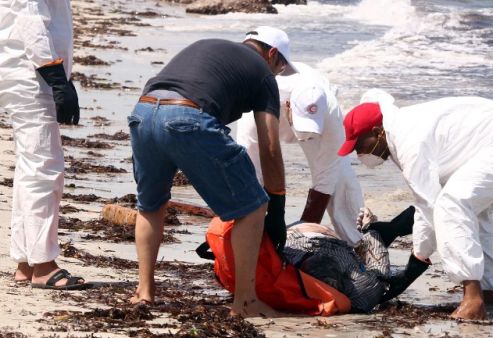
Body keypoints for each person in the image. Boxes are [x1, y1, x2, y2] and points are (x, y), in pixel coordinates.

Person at [337, 90, 493, 320]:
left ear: (378, 132)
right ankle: (488, 293)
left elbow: (430, 206)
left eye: (360, 145)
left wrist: (415, 265)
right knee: (474, 212)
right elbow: (427, 203)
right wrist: (406, 239)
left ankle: (473, 301)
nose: (359, 154)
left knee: (452, 204)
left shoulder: (409, 141)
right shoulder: (400, 130)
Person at [127, 26, 292, 317]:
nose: (277, 74)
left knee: (150, 205)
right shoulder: (263, 73)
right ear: (272, 54)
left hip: (144, 111)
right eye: (280, 68)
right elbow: (269, 146)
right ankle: (246, 303)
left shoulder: (212, 48)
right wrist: (277, 205)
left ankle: (144, 291)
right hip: (187, 114)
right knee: (252, 207)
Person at [0, 0, 87, 289]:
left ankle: (26, 261)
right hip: (31, 75)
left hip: (26, 72)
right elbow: (30, 18)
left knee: (32, 166)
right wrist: (55, 76)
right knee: (44, 167)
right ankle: (43, 265)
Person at [237, 62, 364, 244]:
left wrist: (304, 231)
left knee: (341, 179)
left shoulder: (331, 114)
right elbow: (251, 172)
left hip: (322, 125)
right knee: (251, 176)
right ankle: (249, 239)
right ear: (288, 105)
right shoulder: (257, 106)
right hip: (270, 113)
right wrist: (268, 219)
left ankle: (359, 243)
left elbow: (325, 180)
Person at [283, 206, 416, 312]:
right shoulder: (364, 291)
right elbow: (380, 268)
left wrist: (370, 229)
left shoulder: (287, 263)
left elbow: (380, 267)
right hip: (307, 233)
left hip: (302, 233)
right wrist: (369, 228)